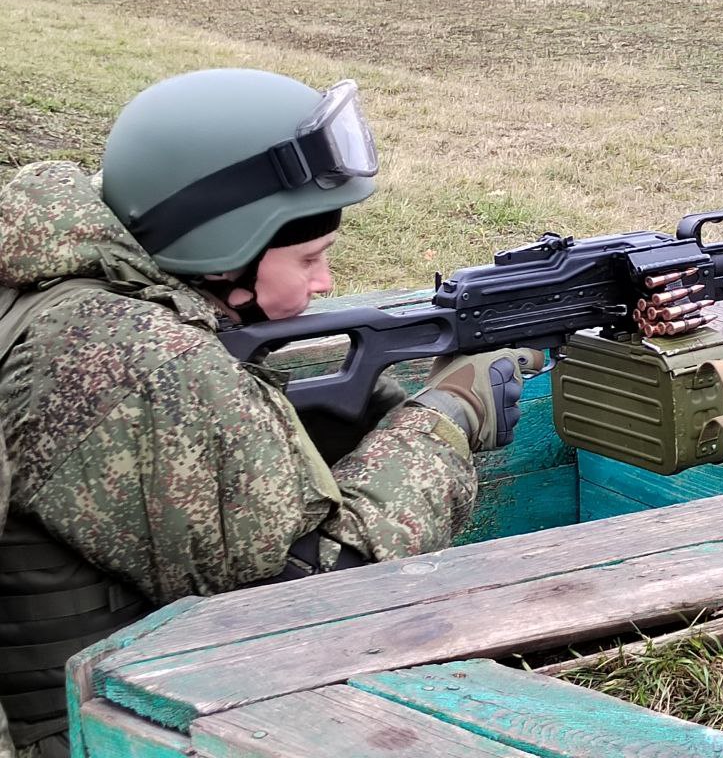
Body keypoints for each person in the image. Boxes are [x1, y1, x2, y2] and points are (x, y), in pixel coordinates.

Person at [0, 69, 538, 758]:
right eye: (310, 257)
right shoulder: (147, 362)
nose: (326, 283)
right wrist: (447, 419)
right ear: (225, 254)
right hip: (112, 731)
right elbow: (303, 601)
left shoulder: (60, 287)